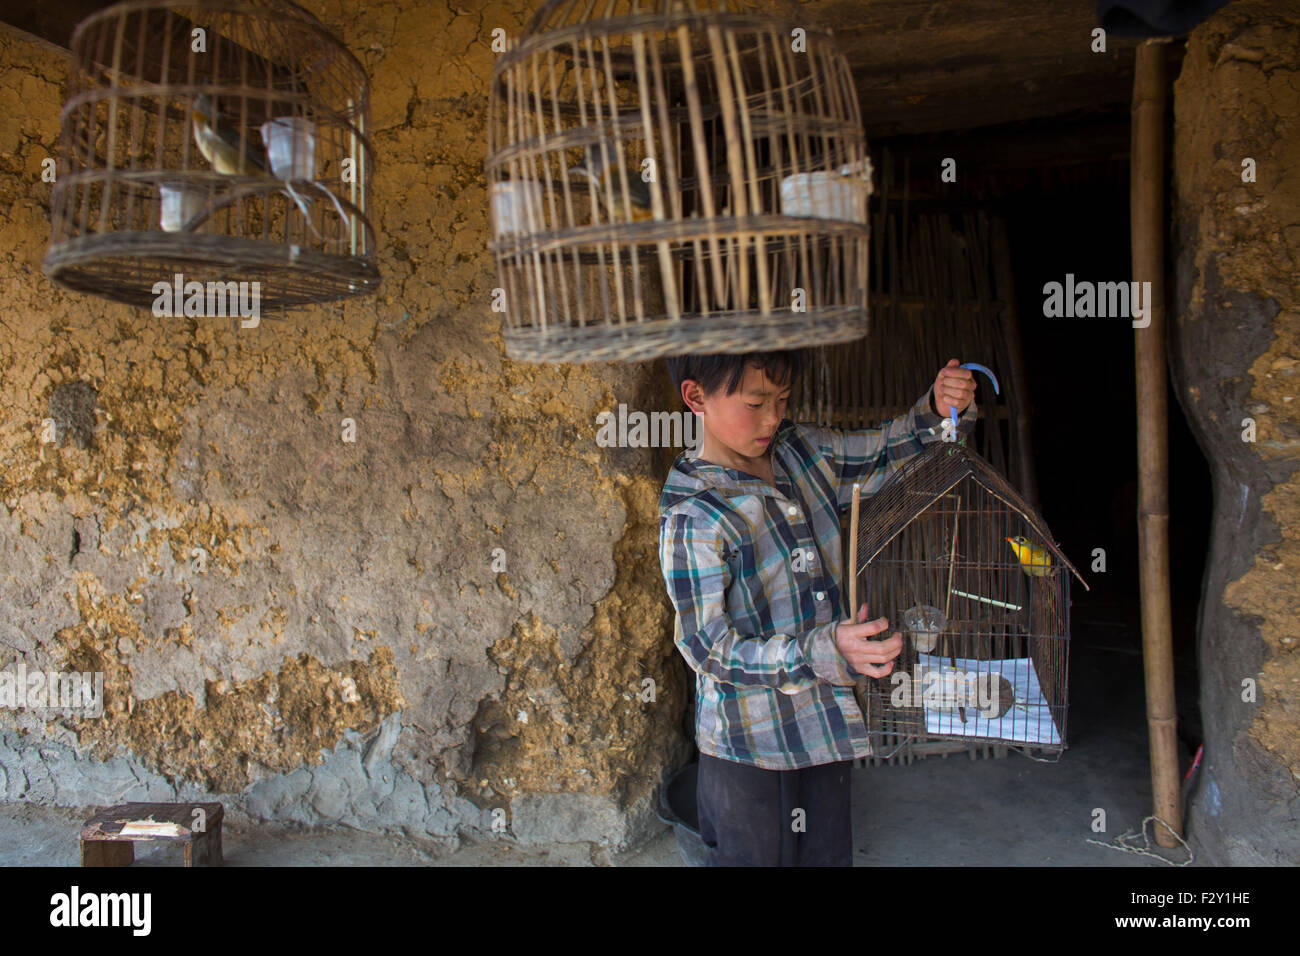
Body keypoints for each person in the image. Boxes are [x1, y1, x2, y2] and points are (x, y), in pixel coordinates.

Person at [657, 349, 979, 866]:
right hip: (749, 746)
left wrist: (939, 410)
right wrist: (823, 649)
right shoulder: (694, 514)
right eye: (756, 402)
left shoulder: (804, 452)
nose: (773, 418)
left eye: (782, 400)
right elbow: (707, 647)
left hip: (825, 725)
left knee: (826, 855)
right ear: (696, 397)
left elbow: (886, 451)